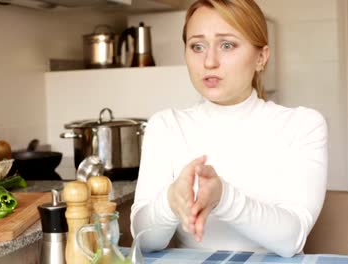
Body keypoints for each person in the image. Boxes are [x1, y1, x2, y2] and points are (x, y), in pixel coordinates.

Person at [130, 0, 328, 258]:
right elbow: (145, 242)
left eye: (227, 45)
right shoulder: (165, 126)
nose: (209, 61)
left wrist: (223, 198)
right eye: (197, 46)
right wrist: (170, 201)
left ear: (261, 57)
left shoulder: (303, 126)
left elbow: (292, 238)